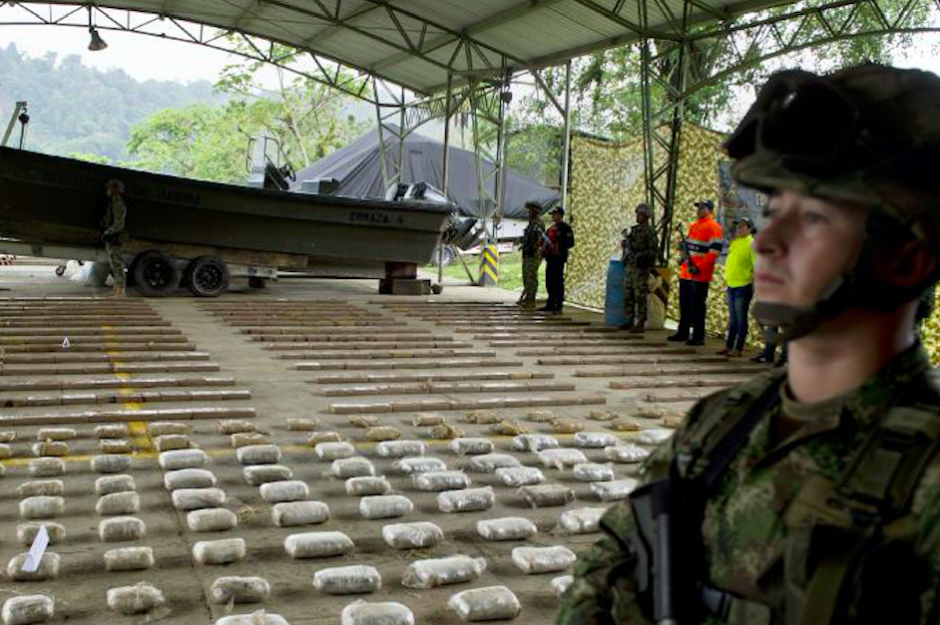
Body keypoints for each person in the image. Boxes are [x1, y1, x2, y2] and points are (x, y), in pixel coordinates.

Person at [555, 64, 940, 625]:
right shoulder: (721, 421)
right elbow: (609, 566)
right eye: (773, 210)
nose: (767, 243)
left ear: (907, 258)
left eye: (811, 217)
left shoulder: (927, 479)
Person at [668, 199, 723, 345]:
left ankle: (698, 336)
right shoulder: (693, 225)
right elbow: (690, 249)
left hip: (700, 275)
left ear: (709, 210)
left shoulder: (714, 227)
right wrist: (682, 257)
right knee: (684, 304)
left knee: (697, 306)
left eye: (702, 207)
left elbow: (714, 252)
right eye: (698, 207)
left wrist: (699, 267)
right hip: (686, 273)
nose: (698, 210)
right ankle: (683, 332)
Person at [718, 217, 756, 356]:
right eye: (738, 226)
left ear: (749, 228)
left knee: (740, 319)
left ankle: (738, 348)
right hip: (731, 285)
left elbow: (757, 266)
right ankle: (729, 346)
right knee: (733, 319)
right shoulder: (735, 243)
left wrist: (753, 283)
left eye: (742, 226)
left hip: (743, 286)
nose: (738, 229)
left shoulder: (752, 244)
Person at [621, 203, 658, 333]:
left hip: (640, 268)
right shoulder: (634, 230)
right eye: (637, 214)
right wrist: (625, 245)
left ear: (646, 216)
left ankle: (641, 322)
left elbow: (653, 251)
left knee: (639, 296)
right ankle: (629, 319)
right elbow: (627, 246)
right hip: (631, 266)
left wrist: (642, 257)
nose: (637, 216)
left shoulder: (650, 232)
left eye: (640, 214)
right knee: (628, 294)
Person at [540, 206, 575, 313]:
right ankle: (550, 303)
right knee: (549, 281)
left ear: (560, 215)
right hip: (550, 258)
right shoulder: (551, 228)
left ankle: (558, 304)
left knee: (557, 281)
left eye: (555, 214)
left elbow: (570, 243)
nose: (553, 217)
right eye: (552, 215)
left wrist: (559, 244)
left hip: (558, 257)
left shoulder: (565, 228)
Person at [102, 179, 128, 298]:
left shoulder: (118, 203)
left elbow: (119, 223)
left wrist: (108, 232)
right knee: (113, 263)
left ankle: (121, 290)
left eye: (109, 188)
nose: (107, 191)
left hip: (115, 236)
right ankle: (116, 289)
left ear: (114, 189)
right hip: (112, 236)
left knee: (117, 263)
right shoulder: (113, 202)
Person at [518, 202, 545, 309]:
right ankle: (528, 297)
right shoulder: (531, 223)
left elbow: (538, 239)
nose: (528, 212)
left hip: (533, 254)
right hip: (528, 253)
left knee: (531, 277)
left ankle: (531, 298)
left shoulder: (538, 223)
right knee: (526, 276)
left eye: (530, 210)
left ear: (535, 211)